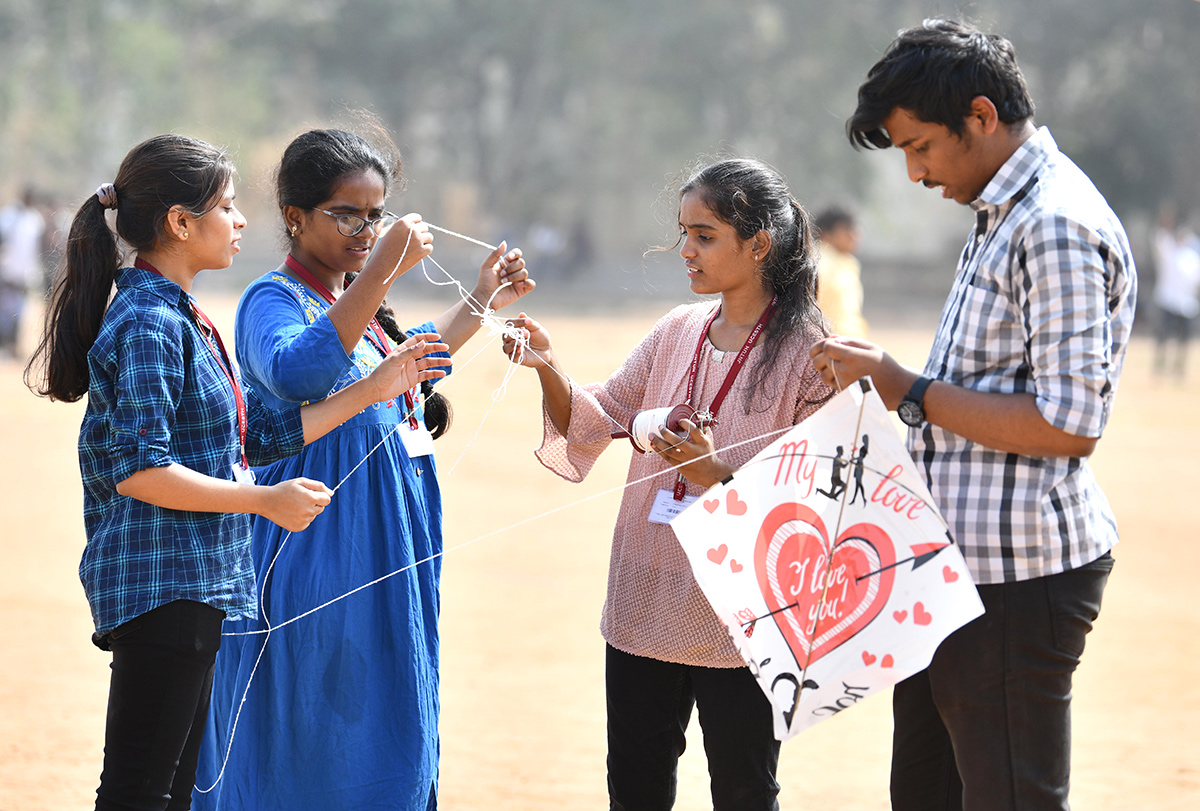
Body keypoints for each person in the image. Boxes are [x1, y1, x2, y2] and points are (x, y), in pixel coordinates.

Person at [23, 133, 447, 811]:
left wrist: (374, 387)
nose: (241, 219)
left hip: (199, 583)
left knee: (171, 788)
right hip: (164, 580)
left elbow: (259, 435)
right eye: (225, 206)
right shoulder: (148, 322)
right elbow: (140, 468)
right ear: (180, 223)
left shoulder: (184, 317)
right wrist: (263, 500)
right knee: (139, 789)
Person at [810, 19, 1137, 811]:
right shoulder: (1001, 214)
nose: (916, 172)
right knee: (924, 793)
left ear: (982, 117)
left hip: (1019, 576)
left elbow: (1068, 423)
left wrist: (908, 386)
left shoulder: (1052, 224)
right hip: (954, 569)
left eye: (921, 146)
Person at [194, 127, 532, 811]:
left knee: (387, 716)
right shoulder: (273, 300)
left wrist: (480, 300)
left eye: (375, 216)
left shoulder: (362, 311)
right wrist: (380, 268)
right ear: (295, 217)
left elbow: (411, 365)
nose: (364, 229)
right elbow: (301, 371)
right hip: (314, 553)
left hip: (387, 556)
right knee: (314, 734)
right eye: (346, 214)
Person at [502, 157, 832, 811]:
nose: (684, 249)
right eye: (683, 231)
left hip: (741, 618)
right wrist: (546, 366)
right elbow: (595, 419)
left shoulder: (809, 353)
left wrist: (714, 474)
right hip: (642, 601)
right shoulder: (676, 330)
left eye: (704, 235)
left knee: (744, 790)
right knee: (635, 786)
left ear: (758, 243)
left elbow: (816, 501)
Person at [1151, 204, 1199, 381]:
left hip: (1187, 305)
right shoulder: (1170, 252)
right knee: (1163, 338)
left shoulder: (1192, 258)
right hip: (1168, 301)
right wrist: (1164, 220)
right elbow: (1160, 238)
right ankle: (1159, 367)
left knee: (1184, 341)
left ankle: (1179, 369)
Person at [0, 186, 46, 357]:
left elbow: (39, 247)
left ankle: (13, 346)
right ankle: (5, 345)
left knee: (19, 311)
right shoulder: (8, 216)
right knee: (4, 311)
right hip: (6, 272)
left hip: (25, 274)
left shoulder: (34, 220)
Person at [814, 206, 868, 338]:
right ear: (827, 233)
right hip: (830, 345)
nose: (854, 235)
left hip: (845, 344)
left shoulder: (847, 262)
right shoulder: (819, 263)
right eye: (847, 229)